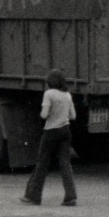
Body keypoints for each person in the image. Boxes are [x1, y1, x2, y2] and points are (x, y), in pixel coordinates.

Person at [22, 70, 78, 207]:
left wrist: (48, 112)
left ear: (50, 82)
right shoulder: (67, 95)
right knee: (65, 164)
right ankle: (70, 197)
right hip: (65, 131)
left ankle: (34, 196)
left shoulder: (49, 94)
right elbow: (73, 116)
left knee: (42, 163)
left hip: (51, 131)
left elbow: (44, 114)